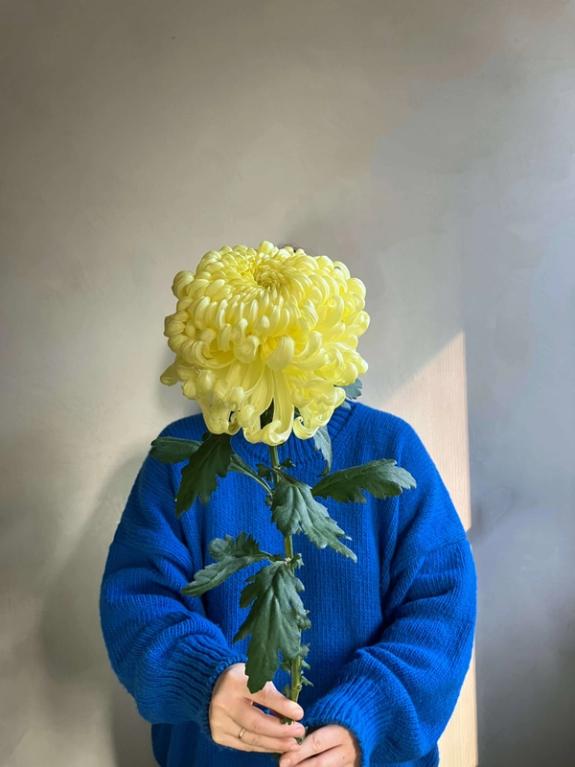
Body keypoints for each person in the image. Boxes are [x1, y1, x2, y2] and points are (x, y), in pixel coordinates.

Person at [99, 398, 477, 767]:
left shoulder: (390, 446)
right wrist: (202, 679)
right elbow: (137, 603)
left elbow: (442, 611)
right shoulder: (180, 459)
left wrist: (367, 711)